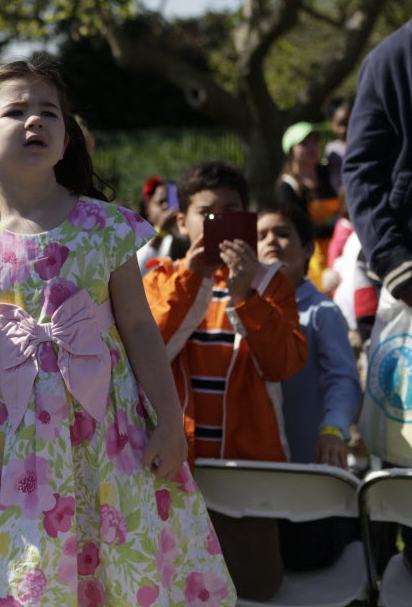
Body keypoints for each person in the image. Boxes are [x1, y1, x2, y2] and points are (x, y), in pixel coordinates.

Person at [0, 57, 233, 605]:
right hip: (10, 445)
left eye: (49, 112)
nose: (35, 121)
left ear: (66, 139)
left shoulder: (107, 227)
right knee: (32, 576)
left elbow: (139, 328)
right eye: (15, 111)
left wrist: (169, 423)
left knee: (118, 569)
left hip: (111, 438)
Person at [143, 160, 307, 600]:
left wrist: (243, 294)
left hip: (246, 472)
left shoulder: (271, 282)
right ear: (182, 222)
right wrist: (191, 277)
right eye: (208, 213)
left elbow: (283, 365)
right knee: (175, 589)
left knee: (255, 588)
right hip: (176, 469)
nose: (221, 221)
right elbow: (146, 354)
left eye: (233, 210)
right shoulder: (161, 277)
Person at [256, 204, 361, 570]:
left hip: (307, 472)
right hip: (253, 473)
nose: (271, 241)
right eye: (261, 235)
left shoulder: (321, 312)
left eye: (283, 233)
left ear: (308, 250)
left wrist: (333, 429)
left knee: (307, 566)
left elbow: (343, 380)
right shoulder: (241, 308)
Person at [342, 17, 412, 570]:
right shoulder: (394, 56)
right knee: (403, 459)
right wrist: (397, 263)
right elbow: (363, 170)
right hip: (411, 294)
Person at [276, 122, 340, 290]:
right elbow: (299, 227)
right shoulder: (288, 187)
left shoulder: (330, 175)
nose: (312, 148)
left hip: (341, 248)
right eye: (304, 144)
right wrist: (337, 227)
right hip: (313, 256)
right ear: (291, 150)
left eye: (315, 142)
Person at [136, 174, 188, 269]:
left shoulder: (182, 236)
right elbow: (139, 270)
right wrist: (160, 232)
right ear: (147, 206)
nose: (166, 206)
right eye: (161, 202)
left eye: (169, 202)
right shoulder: (135, 237)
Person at [326, 99, 351, 194]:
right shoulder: (330, 148)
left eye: (347, 124)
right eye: (340, 125)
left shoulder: (356, 147)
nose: (344, 129)